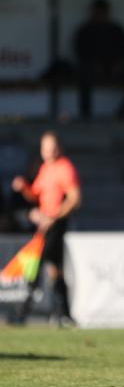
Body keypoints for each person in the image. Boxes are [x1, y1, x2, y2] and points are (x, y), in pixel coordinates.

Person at [9, 132, 81, 326]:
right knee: (55, 268)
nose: (49, 151)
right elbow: (36, 196)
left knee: (37, 263)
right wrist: (24, 188)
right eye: (45, 148)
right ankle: (64, 314)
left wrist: (53, 217)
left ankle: (21, 312)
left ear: (59, 148)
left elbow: (74, 198)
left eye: (52, 147)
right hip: (45, 224)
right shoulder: (45, 169)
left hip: (56, 224)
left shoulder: (65, 168)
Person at [73, 0, 124, 119]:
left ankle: (122, 114)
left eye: (102, 12)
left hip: (115, 69)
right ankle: (86, 115)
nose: (99, 15)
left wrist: (120, 64)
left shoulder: (117, 30)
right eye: (97, 12)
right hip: (92, 69)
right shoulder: (85, 30)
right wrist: (93, 64)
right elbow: (79, 52)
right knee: (83, 74)